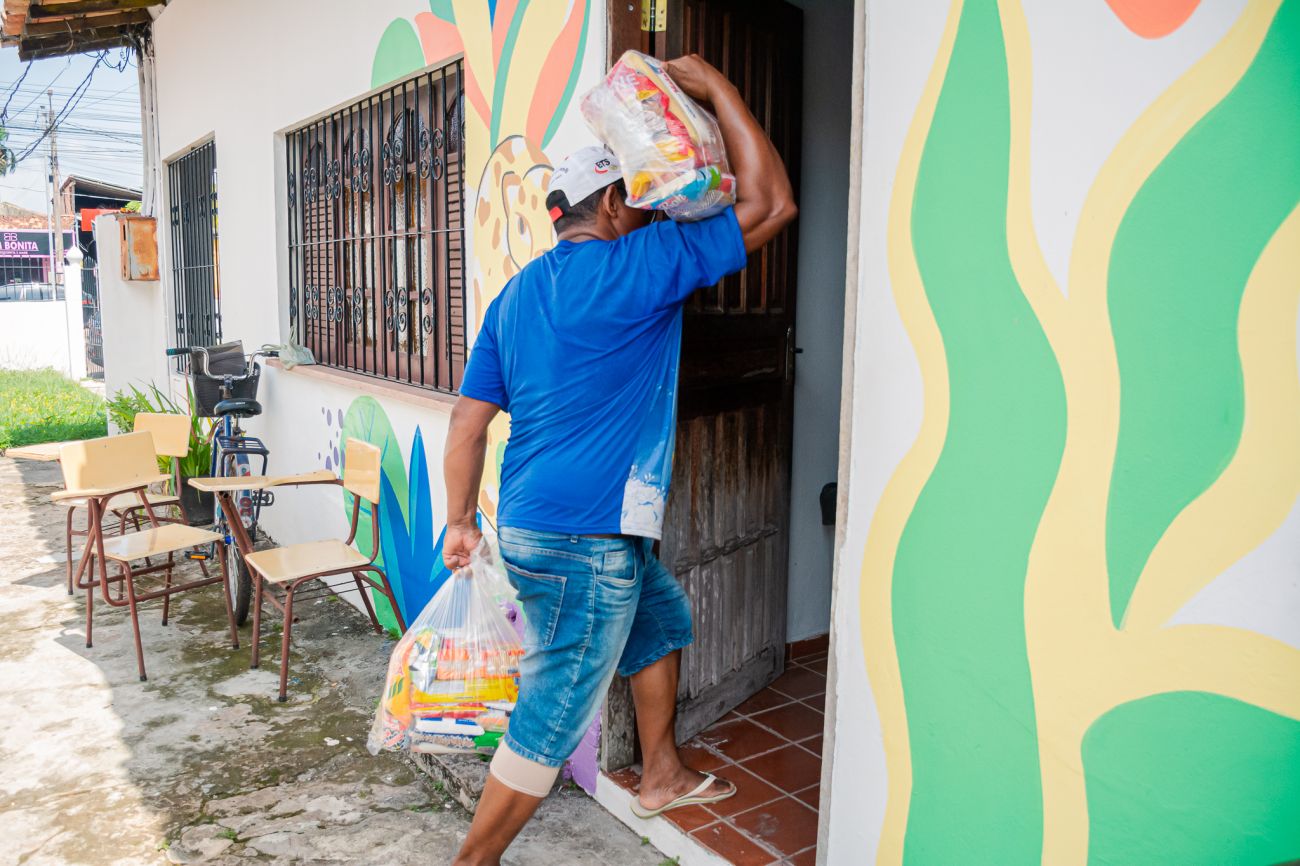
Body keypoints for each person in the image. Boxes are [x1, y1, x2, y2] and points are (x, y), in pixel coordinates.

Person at [442, 53, 797, 866]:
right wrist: (717, 87)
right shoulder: (640, 265)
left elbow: (467, 423)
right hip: (586, 540)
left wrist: (459, 520)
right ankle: (473, 861)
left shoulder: (517, 295)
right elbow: (773, 202)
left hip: (531, 523)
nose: (649, 210)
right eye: (638, 198)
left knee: (661, 620)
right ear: (610, 203)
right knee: (552, 712)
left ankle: (661, 773)